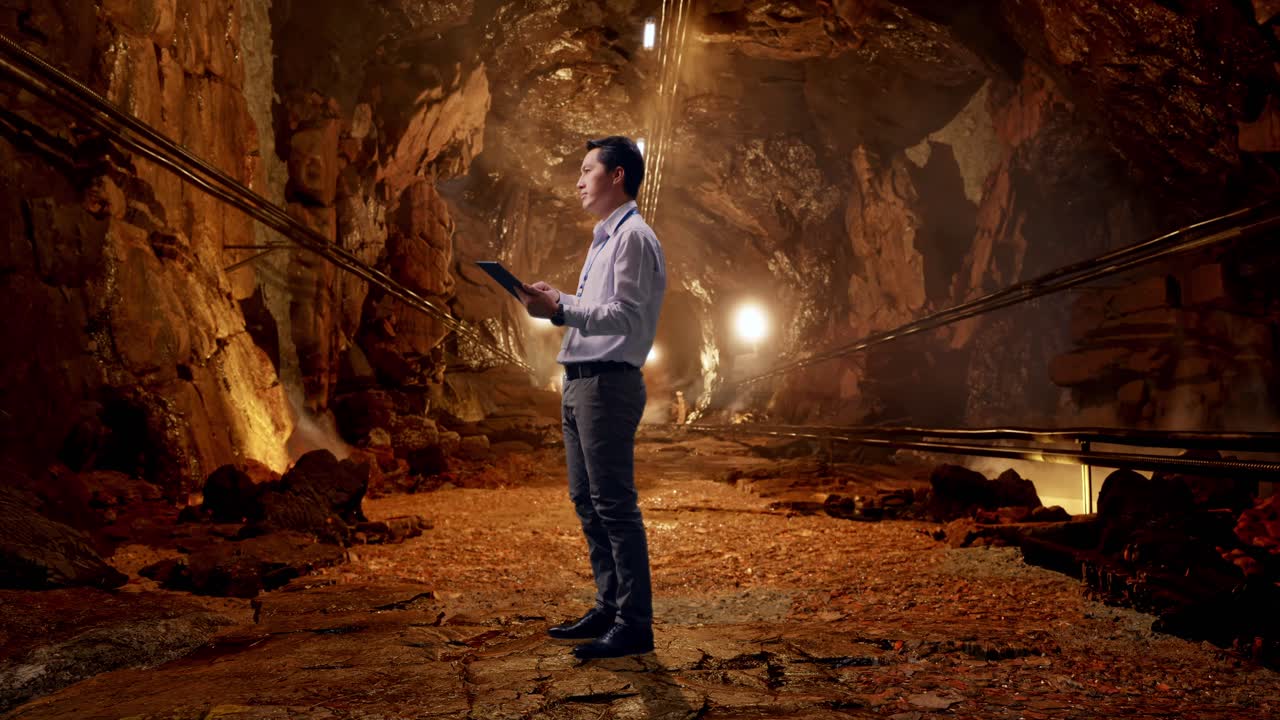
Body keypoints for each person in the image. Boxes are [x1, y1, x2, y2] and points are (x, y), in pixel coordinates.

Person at [518, 136, 667, 659]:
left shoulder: (633, 239)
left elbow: (626, 316)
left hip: (607, 382)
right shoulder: (603, 240)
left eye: (587, 170)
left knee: (614, 505)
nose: (578, 181)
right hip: (580, 379)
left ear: (618, 175)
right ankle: (609, 605)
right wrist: (558, 302)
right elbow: (599, 308)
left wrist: (564, 307)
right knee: (587, 502)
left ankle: (634, 622)